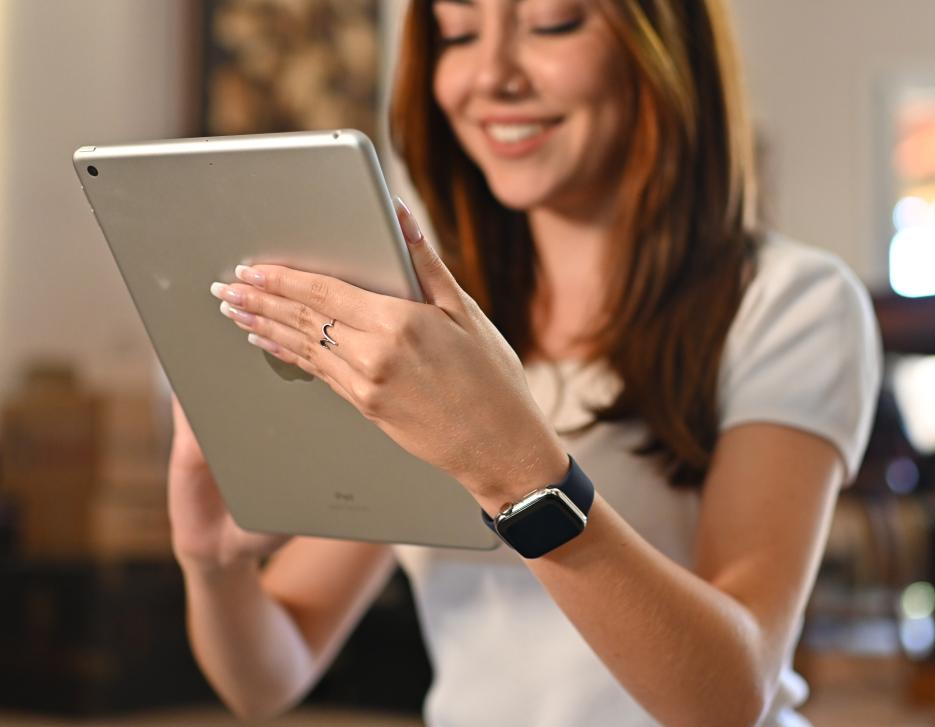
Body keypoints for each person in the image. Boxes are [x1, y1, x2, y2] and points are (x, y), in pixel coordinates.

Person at [174, 1, 882, 725]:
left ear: (662, 49)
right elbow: (270, 674)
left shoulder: (790, 301)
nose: (491, 76)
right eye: (458, 33)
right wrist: (213, 566)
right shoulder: (424, 329)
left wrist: (517, 470)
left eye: (553, 23)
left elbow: (733, 695)